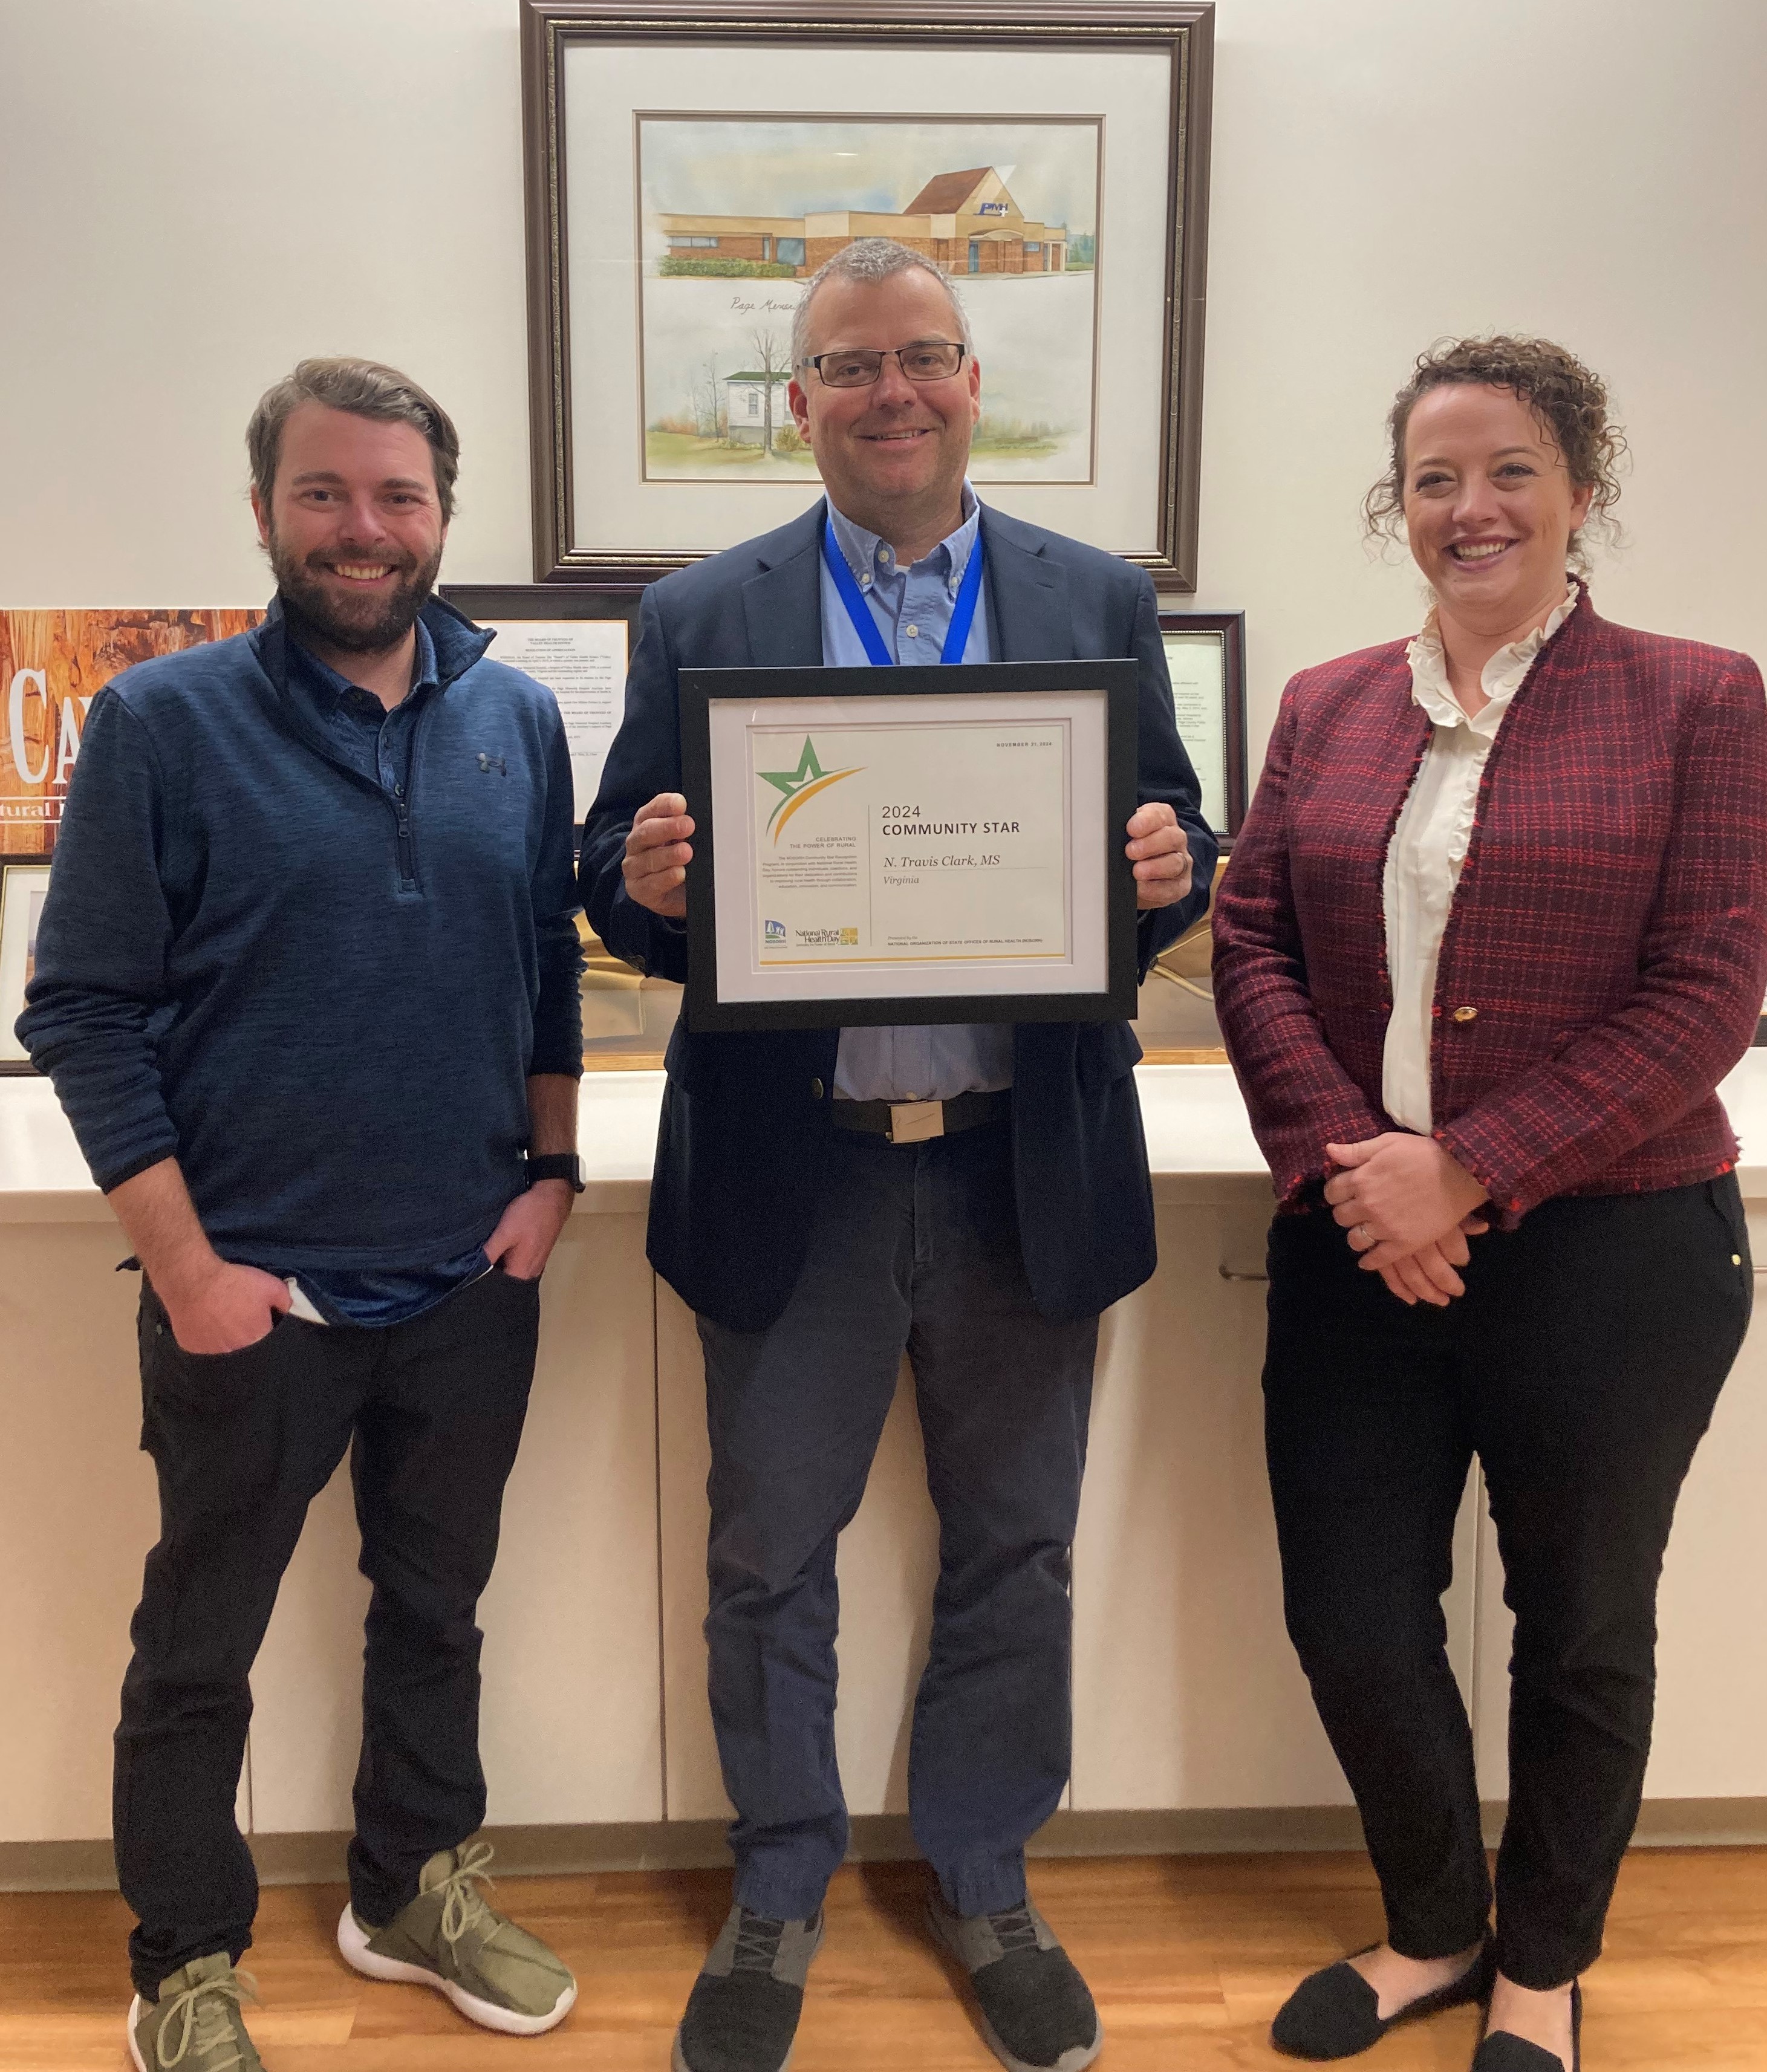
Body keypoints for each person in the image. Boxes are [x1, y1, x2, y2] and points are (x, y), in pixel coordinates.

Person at [582, 238, 1215, 2072]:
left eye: (921, 356)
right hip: (805, 1172)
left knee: (1015, 1547)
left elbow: (1167, 830)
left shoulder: (1093, 595)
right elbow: (611, 862)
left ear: (969, 381)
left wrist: (1174, 863)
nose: (891, 392)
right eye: (849, 364)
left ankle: (985, 1876)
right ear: (800, 400)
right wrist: (639, 885)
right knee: (769, 1550)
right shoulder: (699, 609)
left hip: (1027, 1160)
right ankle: (777, 1885)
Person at [18, 358, 586, 2071]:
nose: (363, 528)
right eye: (326, 493)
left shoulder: (518, 715)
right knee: (199, 1644)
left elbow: (543, 969)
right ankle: (184, 1961)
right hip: (249, 1297)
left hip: (470, 1277)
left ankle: (413, 1889)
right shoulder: (161, 723)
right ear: (265, 508)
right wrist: (188, 1266)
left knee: (437, 1608)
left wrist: (550, 1176)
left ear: (442, 514)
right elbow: (84, 1008)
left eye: (397, 496)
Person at [1212, 336, 1767, 2072]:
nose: (1472, 507)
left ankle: (1542, 1957)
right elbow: (1247, 941)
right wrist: (1354, 1165)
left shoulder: (1699, 696)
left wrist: (1469, 1160)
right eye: (1438, 477)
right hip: (1352, 1242)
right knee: (1350, 1606)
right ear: (1401, 506)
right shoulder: (1323, 703)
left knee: (1581, 1615)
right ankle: (1432, 1924)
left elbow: (1713, 985)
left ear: (1577, 490)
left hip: (1615, 1248)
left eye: (1510, 468)